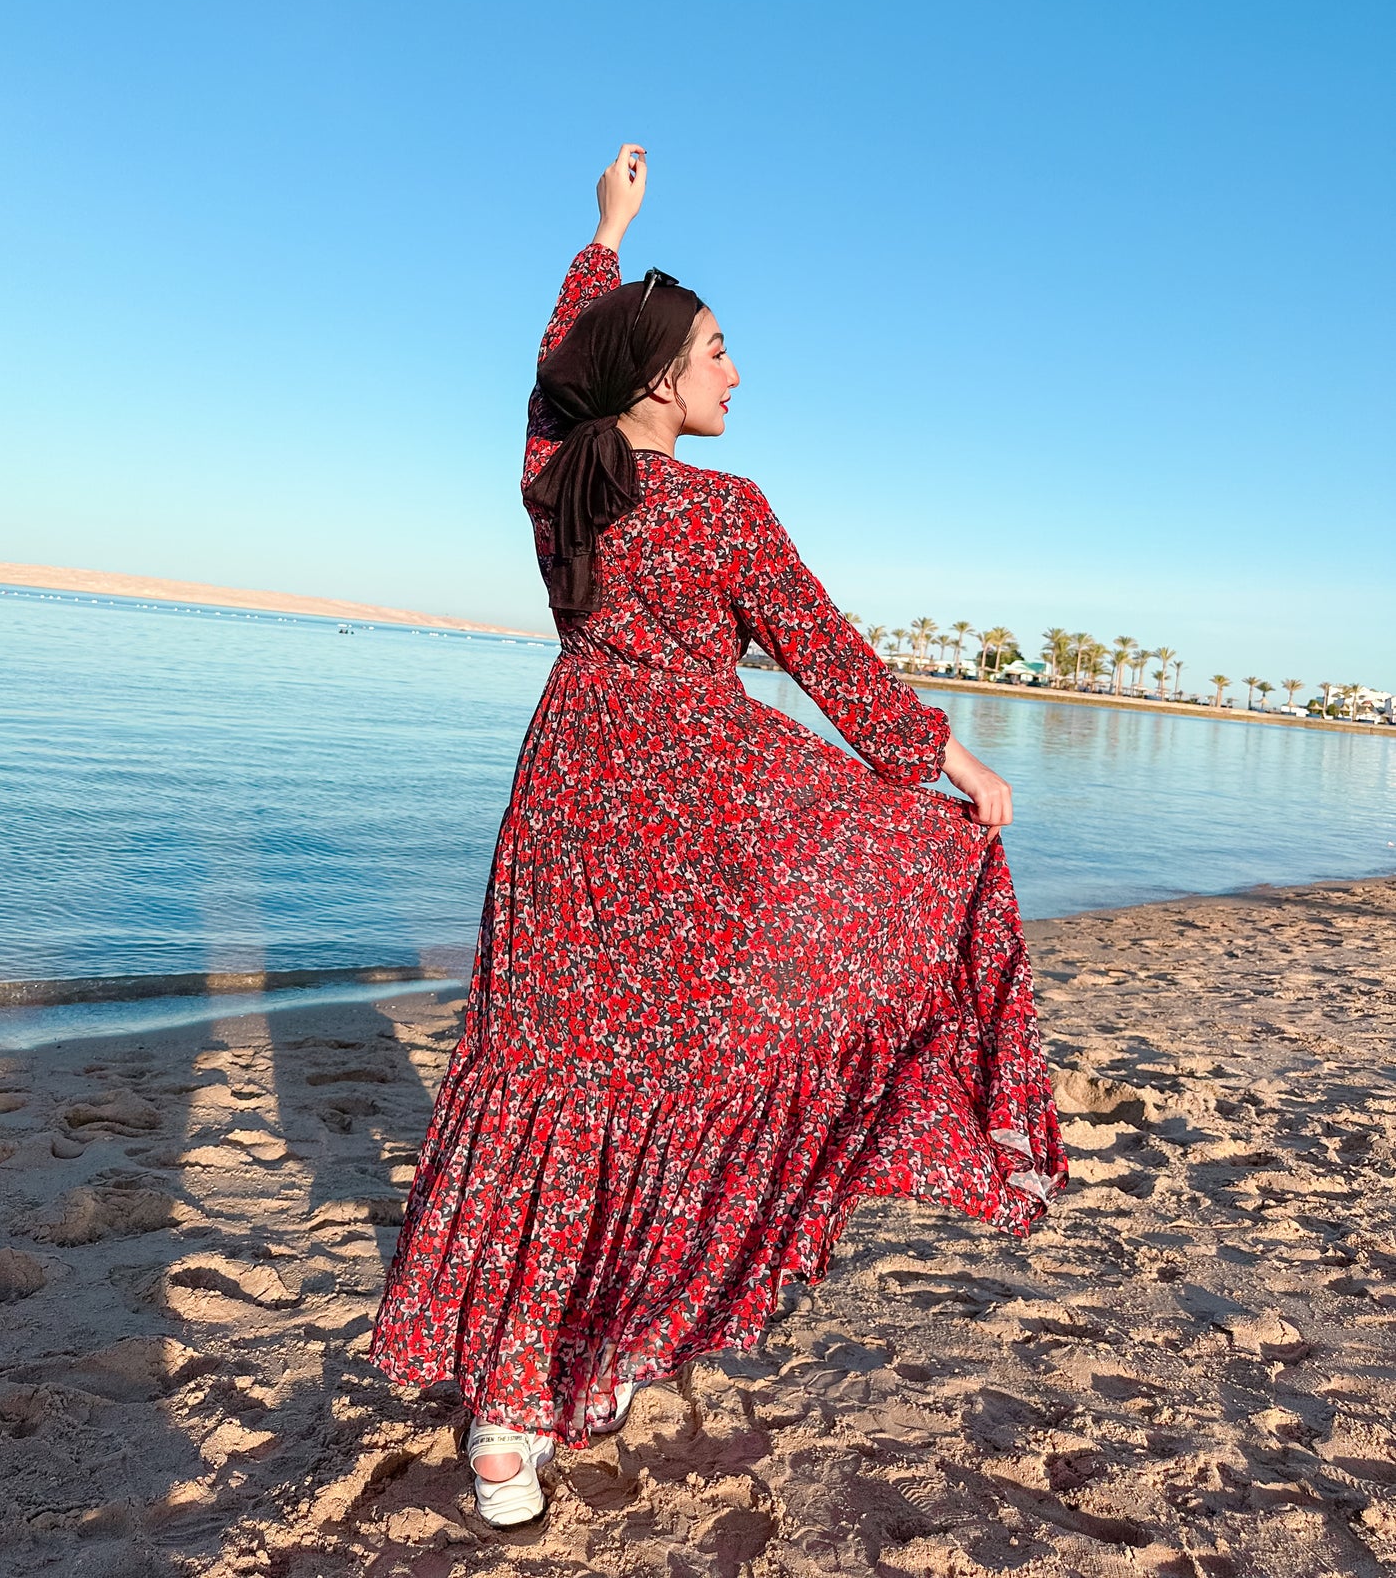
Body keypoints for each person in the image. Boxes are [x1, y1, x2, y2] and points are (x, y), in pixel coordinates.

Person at [370, 145, 1066, 1527]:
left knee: (548, 1060)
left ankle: (506, 1422)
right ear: (660, 380)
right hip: (691, 808)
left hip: (566, 795)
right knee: (677, 1069)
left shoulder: (558, 486)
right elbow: (832, 662)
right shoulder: (723, 512)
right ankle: (606, 1343)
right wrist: (954, 766)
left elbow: (545, 380)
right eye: (719, 353)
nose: (736, 375)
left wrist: (602, 237)